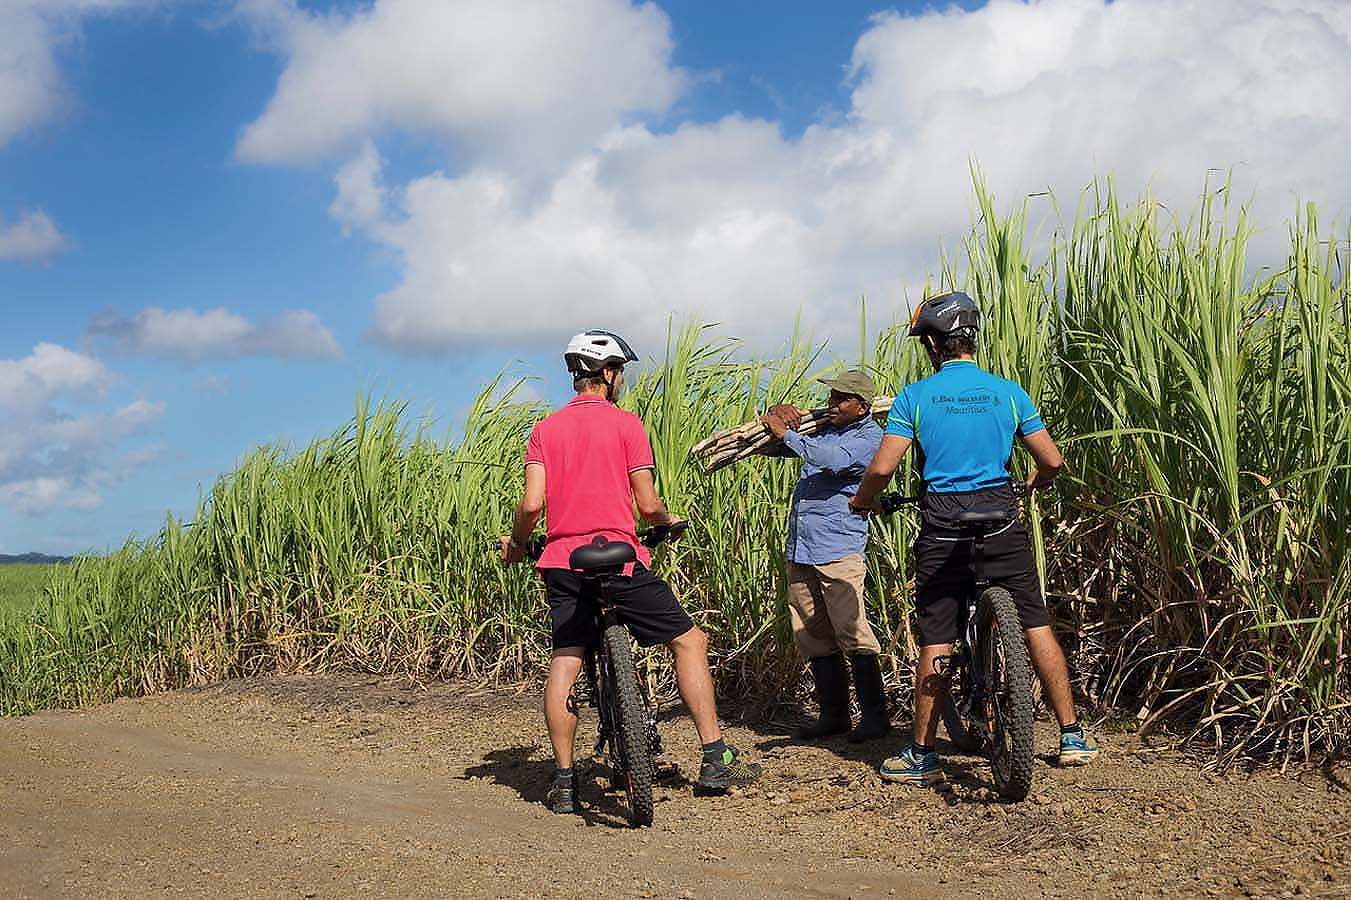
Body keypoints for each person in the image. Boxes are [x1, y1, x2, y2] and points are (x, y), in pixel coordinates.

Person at [501, 329, 762, 814]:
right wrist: (668, 521)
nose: (622, 380)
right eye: (620, 371)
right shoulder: (626, 424)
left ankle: (563, 782)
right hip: (619, 558)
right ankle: (713, 756)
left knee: (568, 655)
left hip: (562, 562)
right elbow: (647, 504)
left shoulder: (545, 429)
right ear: (608, 374)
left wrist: (517, 543)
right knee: (689, 641)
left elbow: (532, 503)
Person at [849, 292, 1098, 785]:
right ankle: (1071, 735)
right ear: (970, 340)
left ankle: (922, 755)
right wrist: (1036, 483)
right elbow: (1050, 460)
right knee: (1035, 622)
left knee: (938, 635)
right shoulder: (1008, 392)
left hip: (944, 527)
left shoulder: (914, 397)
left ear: (934, 346)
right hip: (1002, 520)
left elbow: (882, 467)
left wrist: (863, 501)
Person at [762, 371, 889, 743]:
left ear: (862, 406)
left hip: (838, 547)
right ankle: (834, 716)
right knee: (812, 631)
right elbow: (773, 446)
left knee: (851, 629)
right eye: (832, 396)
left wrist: (789, 434)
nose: (832, 403)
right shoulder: (821, 429)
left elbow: (832, 461)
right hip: (802, 546)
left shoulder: (870, 438)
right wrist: (777, 414)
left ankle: (875, 717)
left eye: (841, 399)